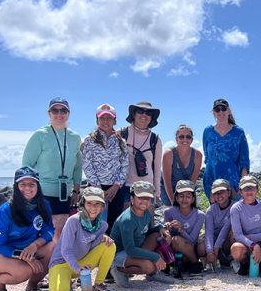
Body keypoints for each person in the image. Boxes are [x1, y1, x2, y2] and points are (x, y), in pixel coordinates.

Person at [0, 167, 55, 291]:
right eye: (23, 184)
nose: (28, 188)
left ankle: (32, 285)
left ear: (38, 186)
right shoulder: (4, 211)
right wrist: (25, 256)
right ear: (16, 186)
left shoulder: (44, 205)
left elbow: (49, 231)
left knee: (52, 247)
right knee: (24, 271)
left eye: (32, 184)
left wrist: (35, 246)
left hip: (26, 250)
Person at [22, 97, 82, 239]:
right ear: (49, 113)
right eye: (55, 110)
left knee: (59, 231)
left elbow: (78, 166)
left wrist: (76, 190)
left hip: (64, 192)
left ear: (69, 113)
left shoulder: (75, 137)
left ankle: (54, 260)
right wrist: (26, 190)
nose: (59, 114)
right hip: (42, 191)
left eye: (63, 110)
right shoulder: (40, 135)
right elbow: (26, 165)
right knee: (40, 230)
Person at [47, 187, 116, 291]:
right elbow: (66, 250)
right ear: (83, 204)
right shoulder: (73, 221)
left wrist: (101, 238)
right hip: (61, 263)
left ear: (102, 207)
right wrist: (77, 268)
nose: (93, 208)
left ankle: (98, 284)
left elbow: (91, 246)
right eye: (89, 203)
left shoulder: (103, 225)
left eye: (97, 204)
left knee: (110, 245)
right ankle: (69, 285)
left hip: (81, 263)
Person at [109, 181, 176, 286]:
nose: (144, 201)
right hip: (121, 253)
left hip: (136, 247)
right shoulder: (127, 220)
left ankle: (152, 274)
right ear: (132, 199)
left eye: (148, 198)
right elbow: (130, 250)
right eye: (140, 197)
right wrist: (155, 257)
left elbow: (148, 232)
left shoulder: (147, 214)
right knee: (149, 266)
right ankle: (118, 269)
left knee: (159, 236)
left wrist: (160, 228)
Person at [81, 103, 129, 231]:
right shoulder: (89, 140)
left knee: (114, 221)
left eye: (109, 118)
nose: (105, 121)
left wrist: (116, 186)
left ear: (115, 121)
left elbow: (124, 165)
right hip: (95, 187)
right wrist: (97, 187)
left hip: (116, 189)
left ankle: (111, 249)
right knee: (93, 220)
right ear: (97, 120)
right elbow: (86, 164)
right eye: (102, 118)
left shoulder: (121, 142)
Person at [229, 175, 261, 275]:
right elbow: (237, 235)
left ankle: (260, 261)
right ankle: (244, 262)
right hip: (245, 243)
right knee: (236, 249)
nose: (249, 191)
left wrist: (252, 238)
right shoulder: (236, 208)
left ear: (257, 190)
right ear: (240, 192)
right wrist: (253, 245)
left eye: (252, 188)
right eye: (245, 188)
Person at [202, 98, 249, 197]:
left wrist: (244, 185)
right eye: (217, 109)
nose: (220, 112)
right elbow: (207, 157)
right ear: (213, 113)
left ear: (229, 111)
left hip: (233, 184)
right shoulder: (207, 131)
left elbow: (244, 160)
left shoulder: (238, 132)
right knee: (215, 211)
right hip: (212, 182)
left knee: (233, 211)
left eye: (223, 108)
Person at [121, 101, 163, 205]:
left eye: (148, 113)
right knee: (124, 221)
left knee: (146, 221)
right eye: (140, 111)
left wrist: (157, 192)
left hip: (147, 189)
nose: (144, 115)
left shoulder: (155, 139)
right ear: (134, 114)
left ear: (152, 117)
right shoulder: (121, 134)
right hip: (124, 188)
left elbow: (157, 168)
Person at [163, 180, 206, 275]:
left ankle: (195, 263)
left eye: (188, 196)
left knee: (177, 239)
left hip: (191, 248)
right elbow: (166, 236)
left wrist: (181, 230)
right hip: (175, 248)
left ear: (193, 199)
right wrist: (166, 229)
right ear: (176, 198)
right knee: (167, 238)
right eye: (181, 196)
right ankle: (168, 263)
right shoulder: (168, 212)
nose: (184, 199)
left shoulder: (200, 215)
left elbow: (193, 240)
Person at [161, 124, 202, 207]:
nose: (185, 139)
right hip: (169, 188)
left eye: (188, 137)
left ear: (192, 139)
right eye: (181, 137)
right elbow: (167, 182)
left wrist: (186, 199)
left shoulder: (197, 155)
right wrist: (174, 203)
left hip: (187, 188)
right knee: (172, 212)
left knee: (189, 212)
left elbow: (192, 182)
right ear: (176, 139)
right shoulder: (169, 154)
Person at [203, 178, 236, 270]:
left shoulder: (235, 207)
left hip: (226, 239)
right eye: (216, 193)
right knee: (202, 245)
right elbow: (208, 231)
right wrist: (210, 251)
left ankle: (233, 258)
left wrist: (216, 248)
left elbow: (225, 229)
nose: (219, 195)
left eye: (222, 191)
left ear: (229, 193)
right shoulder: (210, 210)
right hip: (214, 238)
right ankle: (209, 259)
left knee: (233, 232)